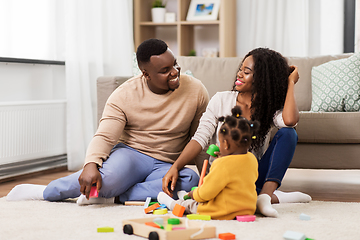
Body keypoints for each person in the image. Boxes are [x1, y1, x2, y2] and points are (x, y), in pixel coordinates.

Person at [6, 38, 210, 205]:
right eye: (165, 70)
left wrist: (206, 176)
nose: (174, 72)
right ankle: (45, 191)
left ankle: (114, 196)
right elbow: (105, 135)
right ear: (146, 74)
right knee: (105, 180)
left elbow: (200, 139)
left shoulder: (196, 90)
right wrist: (91, 164)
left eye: (175, 64)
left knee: (189, 181)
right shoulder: (124, 94)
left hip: (168, 163)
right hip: (132, 154)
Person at [162, 47, 312, 218]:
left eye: (246, 72)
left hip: (250, 176)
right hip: (221, 177)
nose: (239, 74)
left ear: (262, 79)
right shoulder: (221, 100)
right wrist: (175, 167)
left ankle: (265, 196)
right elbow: (199, 138)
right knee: (225, 197)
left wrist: (290, 83)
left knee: (288, 133)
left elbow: (290, 121)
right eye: (241, 69)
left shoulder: (268, 109)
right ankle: (268, 197)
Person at [158, 106, 260, 220]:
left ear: (225, 144)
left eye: (220, 142)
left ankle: (172, 202)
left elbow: (207, 192)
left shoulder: (221, 165)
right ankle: (185, 196)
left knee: (191, 206)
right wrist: (222, 156)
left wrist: (195, 194)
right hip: (247, 208)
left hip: (222, 210)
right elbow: (236, 173)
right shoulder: (252, 159)